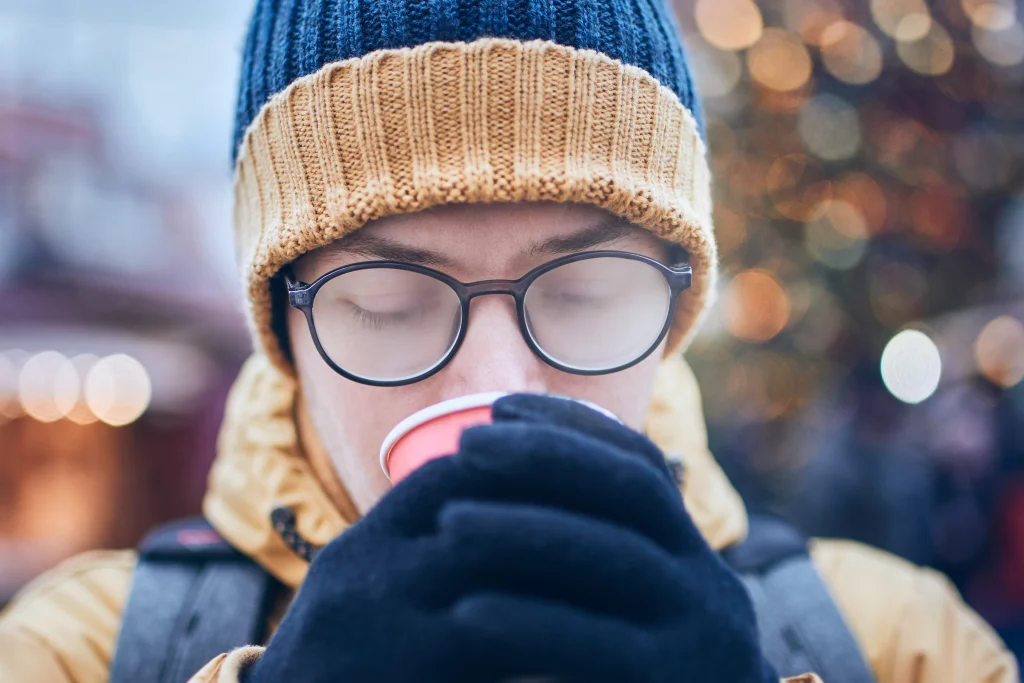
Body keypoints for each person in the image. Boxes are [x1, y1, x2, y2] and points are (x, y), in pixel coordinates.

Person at [0, 0, 1017, 681]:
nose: (493, 386)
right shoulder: (75, 652)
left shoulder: (898, 644)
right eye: (388, 299)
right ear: (283, 325)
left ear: (676, 310)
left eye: (582, 291)